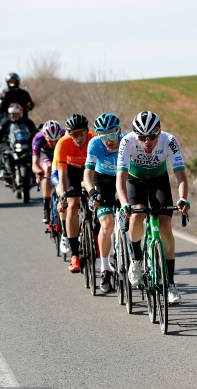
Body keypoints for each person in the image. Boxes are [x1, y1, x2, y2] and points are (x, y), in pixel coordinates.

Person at [116, 111, 189, 304]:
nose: (147, 142)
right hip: (135, 181)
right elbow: (121, 178)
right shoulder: (127, 142)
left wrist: (183, 198)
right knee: (137, 215)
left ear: (159, 132)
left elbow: (180, 175)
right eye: (142, 137)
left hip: (159, 180)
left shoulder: (170, 141)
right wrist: (124, 204)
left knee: (165, 226)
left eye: (152, 137)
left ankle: (171, 283)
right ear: (135, 135)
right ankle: (137, 260)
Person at [83, 113, 124, 293]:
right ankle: (105, 268)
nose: (107, 140)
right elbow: (87, 174)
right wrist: (92, 192)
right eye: (102, 135)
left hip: (124, 177)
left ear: (119, 131)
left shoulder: (126, 142)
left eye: (111, 135)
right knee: (107, 223)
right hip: (103, 180)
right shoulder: (94, 144)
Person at [54, 113, 95, 272]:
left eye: (81, 133)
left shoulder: (94, 139)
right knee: (72, 205)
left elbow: (98, 170)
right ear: (68, 134)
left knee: (97, 202)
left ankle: (96, 239)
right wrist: (62, 196)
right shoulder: (62, 144)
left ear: (87, 131)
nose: (78, 138)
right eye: (73, 135)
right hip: (71, 172)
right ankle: (75, 256)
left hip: (89, 170)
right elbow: (62, 176)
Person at [32, 120, 64, 224]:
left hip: (60, 154)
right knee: (48, 168)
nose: (54, 143)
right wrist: (39, 172)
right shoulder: (38, 139)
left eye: (56, 140)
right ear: (45, 137)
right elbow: (34, 164)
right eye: (51, 141)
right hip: (45, 155)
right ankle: (46, 206)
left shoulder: (64, 134)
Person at [0, 103, 36, 180]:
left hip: (25, 143)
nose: (13, 116)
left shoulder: (27, 122)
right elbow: (0, 133)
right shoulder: (6, 122)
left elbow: (34, 131)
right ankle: (3, 169)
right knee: (2, 151)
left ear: (20, 113)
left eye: (15, 114)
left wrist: (34, 134)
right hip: (10, 143)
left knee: (36, 152)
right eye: (12, 114)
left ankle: (36, 169)